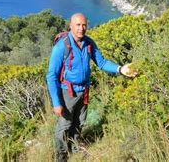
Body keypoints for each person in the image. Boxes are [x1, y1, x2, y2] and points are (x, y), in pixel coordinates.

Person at [46, 13, 137, 161]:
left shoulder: (88, 43)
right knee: (64, 125)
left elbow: (101, 62)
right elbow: (51, 76)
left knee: (80, 122)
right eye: (77, 25)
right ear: (70, 26)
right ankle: (61, 157)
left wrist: (121, 69)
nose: (81, 29)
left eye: (84, 25)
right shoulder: (61, 47)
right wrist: (56, 102)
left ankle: (75, 150)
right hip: (67, 92)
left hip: (84, 90)